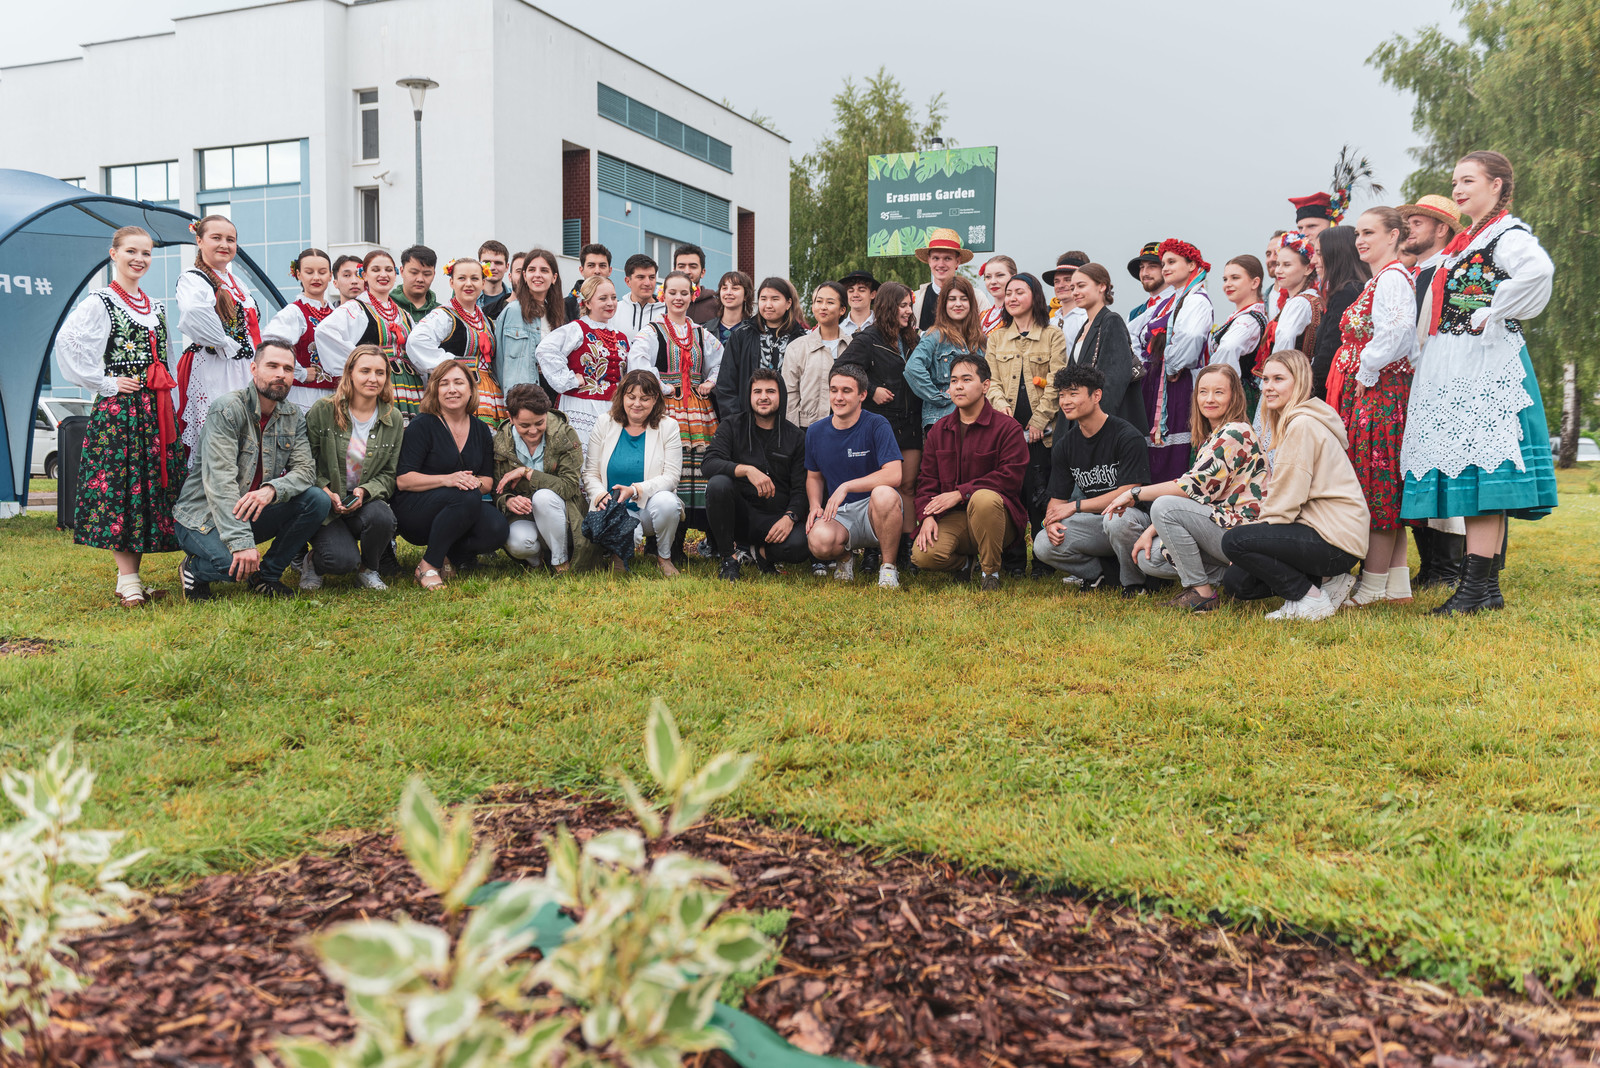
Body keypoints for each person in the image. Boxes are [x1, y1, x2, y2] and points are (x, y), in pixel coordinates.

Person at [1401, 150, 1558, 615]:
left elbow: (1538, 271)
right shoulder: (1470, 240)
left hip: (1484, 365)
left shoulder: (1508, 235)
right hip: (1459, 364)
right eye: (1455, 182)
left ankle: (1473, 590)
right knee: (1476, 474)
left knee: (1485, 474)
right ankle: (1486, 590)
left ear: (1496, 185)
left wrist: (1496, 309)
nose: (1458, 189)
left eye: (1468, 180)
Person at [57, 225, 185, 606]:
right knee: (123, 488)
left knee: (144, 488)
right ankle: (129, 578)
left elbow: (168, 358)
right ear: (113, 254)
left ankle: (128, 577)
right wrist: (107, 382)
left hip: (154, 410)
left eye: (146, 253)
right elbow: (68, 343)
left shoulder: (155, 306)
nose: (139, 259)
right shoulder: (101, 302)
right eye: (131, 251)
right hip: (122, 412)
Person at [173, 339, 332, 600]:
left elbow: (305, 471)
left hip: (249, 510)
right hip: (203, 516)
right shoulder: (227, 409)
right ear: (254, 369)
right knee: (233, 567)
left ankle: (266, 576)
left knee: (316, 499)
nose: (281, 374)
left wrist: (272, 490)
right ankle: (194, 569)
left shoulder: (293, 416)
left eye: (288, 369)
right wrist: (241, 543)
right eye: (272, 366)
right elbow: (221, 483)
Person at [1102, 365, 1267, 611]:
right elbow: (1200, 496)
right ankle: (1234, 575)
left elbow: (1192, 487)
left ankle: (1202, 593)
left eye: (1219, 392)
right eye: (1203, 392)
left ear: (1234, 396)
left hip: (1242, 531)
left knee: (1164, 505)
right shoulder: (1214, 436)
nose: (1209, 399)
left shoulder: (1235, 432)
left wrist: (1134, 493)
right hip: (1222, 526)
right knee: (1151, 558)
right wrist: (1150, 531)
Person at [1221, 349, 1366, 620]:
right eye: (1265, 379)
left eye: (1278, 379)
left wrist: (1252, 539)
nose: (1268, 387)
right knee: (1237, 582)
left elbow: (1287, 496)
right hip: (1320, 533)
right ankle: (1326, 584)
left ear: (1299, 382)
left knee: (1234, 541)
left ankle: (1310, 598)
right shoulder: (1298, 421)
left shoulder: (1302, 425)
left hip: (1334, 538)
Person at [1326, 207, 1418, 608]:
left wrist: (1366, 369)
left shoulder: (1393, 278)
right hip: (1375, 390)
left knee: (1376, 486)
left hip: (1379, 394)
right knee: (1382, 486)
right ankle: (1396, 585)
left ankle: (1371, 586)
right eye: (1358, 234)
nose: (1360, 240)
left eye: (1369, 232)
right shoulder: (1382, 278)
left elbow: (1398, 332)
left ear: (1394, 236)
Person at [909, 354, 1029, 590]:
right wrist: (927, 517)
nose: (958, 386)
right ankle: (965, 564)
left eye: (966, 379)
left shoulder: (1008, 428)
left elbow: (1010, 477)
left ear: (985, 386)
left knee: (983, 498)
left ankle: (990, 572)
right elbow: (926, 482)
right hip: (956, 519)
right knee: (923, 556)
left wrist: (960, 493)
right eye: (953, 381)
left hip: (997, 518)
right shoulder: (939, 430)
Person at [1398, 194, 1468, 589]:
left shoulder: (1449, 270)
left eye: (1417, 223)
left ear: (1441, 229)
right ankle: (1431, 564)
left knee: (1446, 469)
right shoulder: (1414, 273)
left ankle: (1448, 566)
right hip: (1415, 383)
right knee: (1419, 468)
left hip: (1443, 382)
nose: (1408, 229)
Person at [1032, 364, 1150, 590]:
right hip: (1096, 523)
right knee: (1043, 543)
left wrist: (1076, 506)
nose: (1065, 401)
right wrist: (1051, 522)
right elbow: (1057, 501)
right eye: (1062, 395)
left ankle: (1135, 583)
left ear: (1096, 396)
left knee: (1116, 519)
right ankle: (1102, 574)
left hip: (1134, 520)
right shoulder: (1065, 445)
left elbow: (1129, 494)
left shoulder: (1127, 436)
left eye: (1073, 394)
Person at [628, 271, 724, 547]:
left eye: (684, 293)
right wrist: (662, 386)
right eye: (672, 292)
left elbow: (722, 361)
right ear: (663, 295)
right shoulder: (652, 330)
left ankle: (698, 533)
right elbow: (638, 359)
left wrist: (710, 382)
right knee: (666, 465)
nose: (678, 298)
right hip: (665, 408)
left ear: (693, 296)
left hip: (698, 410)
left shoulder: (700, 333)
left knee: (698, 465)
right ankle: (661, 539)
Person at [392, 362, 508, 589]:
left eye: (458, 382)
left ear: (471, 389)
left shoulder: (481, 429)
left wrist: (470, 482)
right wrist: (448, 479)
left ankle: (449, 553)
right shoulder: (422, 425)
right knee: (467, 496)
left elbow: (487, 481)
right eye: (444, 384)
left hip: (462, 504)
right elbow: (403, 480)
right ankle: (428, 565)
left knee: (496, 529)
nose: (451, 389)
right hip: (416, 508)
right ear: (435, 390)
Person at [984, 272, 1067, 577]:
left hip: (1042, 433)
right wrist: (1000, 407)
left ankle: (1044, 561)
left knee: (1039, 494)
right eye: (1009, 293)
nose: (1012, 298)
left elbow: (1057, 380)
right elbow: (991, 381)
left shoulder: (1052, 335)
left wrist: (1039, 420)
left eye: (1019, 292)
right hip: (1006, 432)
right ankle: (1014, 561)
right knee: (1011, 493)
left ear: (1035, 296)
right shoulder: (996, 337)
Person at [301, 344, 402, 590]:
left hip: (362, 502)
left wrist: (365, 491)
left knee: (383, 517)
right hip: (326, 503)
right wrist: (324, 490)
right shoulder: (324, 410)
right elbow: (305, 461)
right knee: (341, 561)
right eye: (365, 371)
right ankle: (313, 561)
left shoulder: (393, 418)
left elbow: (389, 474)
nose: (373, 378)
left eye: (380, 372)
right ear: (350, 373)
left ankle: (369, 569)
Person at [703, 368, 811, 580]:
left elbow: (801, 489)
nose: (763, 397)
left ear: (781, 395)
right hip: (739, 516)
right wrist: (747, 470)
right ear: (749, 396)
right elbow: (709, 463)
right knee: (718, 484)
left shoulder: (796, 437)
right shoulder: (731, 426)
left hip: (775, 519)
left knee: (802, 545)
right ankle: (729, 559)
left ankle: (760, 554)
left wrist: (790, 517)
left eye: (770, 391)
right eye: (757, 391)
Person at [838, 281, 923, 547]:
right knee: (882, 489)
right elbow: (841, 370)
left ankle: (906, 549)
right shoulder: (867, 339)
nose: (908, 311)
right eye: (903, 305)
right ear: (888, 306)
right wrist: (872, 389)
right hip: (882, 426)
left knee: (908, 486)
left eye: (910, 305)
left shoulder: (912, 338)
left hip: (911, 424)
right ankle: (875, 548)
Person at [804, 364, 904, 587]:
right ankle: (845, 559)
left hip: (874, 509)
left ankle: (888, 568)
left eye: (846, 391)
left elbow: (894, 474)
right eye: (834, 390)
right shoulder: (815, 431)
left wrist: (847, 486)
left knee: (884, 494)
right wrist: (814, 506)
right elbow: (814, 476)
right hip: (839, 514)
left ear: (862, 395)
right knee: (818, 541)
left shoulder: (877, 424)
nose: (838, 397)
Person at [582, 369, 684, 576]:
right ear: (622, 397)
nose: (637, 404)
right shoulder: (604, 422)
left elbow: (672, 477)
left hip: (650, 506)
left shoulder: (668, 426)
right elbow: (590, 472)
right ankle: (617, 554)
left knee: (668, 503)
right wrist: (600, 495)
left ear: (655, 400)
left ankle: (664, 557)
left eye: (644, 398)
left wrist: (635, 490)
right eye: (631, 397)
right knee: (631, 536)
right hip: (614, 506)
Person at [175, 214, 262, 454]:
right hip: (215, 365)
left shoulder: (236, 282)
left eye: (230, 240)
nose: (224, 244)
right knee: (219, 433)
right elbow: (193, 311)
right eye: (216, 238)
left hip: (243, 368)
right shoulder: (194, 278)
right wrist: (223, 341)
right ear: (199, 241)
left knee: (244, 435)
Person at [1135, 239, 1214, 482]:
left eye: (1171, 262)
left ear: (1191, 265)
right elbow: (1132, 332)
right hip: (1157, 381)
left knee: (1175, 443)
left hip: (1178, 384)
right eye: (1164, 263)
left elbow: (1192, 338)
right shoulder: (1170, 301)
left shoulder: (1196, 299)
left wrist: (1170, 364)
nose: (1166, 268)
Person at [314, 249, 421, 418]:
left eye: (388, 270)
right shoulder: (355, 308)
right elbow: (325, 332)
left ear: (395, 274)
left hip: (410, 387)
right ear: (364, 275)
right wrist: (360, 364)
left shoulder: (404, 314)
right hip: (375, 384)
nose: (383, 274)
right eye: (376, 270)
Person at [494, 382, 586, 573]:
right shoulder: (500, 441)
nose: (533, 431)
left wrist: (528, 473)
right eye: (524, 425)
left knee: (542, 497)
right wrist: (508, 501)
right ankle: (537, 562)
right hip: (524, 517)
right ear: (510, 417)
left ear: (546, 413)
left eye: (539, 423)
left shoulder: (564, 434)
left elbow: (569, 487)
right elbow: (497, 490)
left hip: (563, 514)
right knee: (518, 543)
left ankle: (560, 561)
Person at [534, 274, 632, 446]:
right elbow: (545, 349)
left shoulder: (621, 337)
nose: (610, 303)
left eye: (613, 297)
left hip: (613, 408)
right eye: (603, 298)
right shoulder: (576, 329)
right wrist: (569, 379)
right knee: (583, 454)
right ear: (587, 303)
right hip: (581, 405)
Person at [409, 257, 505, 424]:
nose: (468, 284)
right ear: (452, 282)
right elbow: (416, 341)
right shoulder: (443, 316)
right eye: (462, 278)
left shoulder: (486, 321)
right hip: (457, 390)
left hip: (489, 393)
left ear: (483, 283)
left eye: (474, 278)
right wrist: (451, 365)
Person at [1064, 264, 1145, 428]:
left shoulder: (1111, 321)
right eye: (1072, 288)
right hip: (1084, 419)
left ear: (1102, 286)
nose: (1075, 292)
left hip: (1104, 424)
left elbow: (1114, 380)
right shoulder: (1086, 326)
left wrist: (1095, 425)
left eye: (1081, 286)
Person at [715, 276, 807, 417]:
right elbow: (726, 385)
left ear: (788, 303)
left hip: (789, 419)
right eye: (763, 299)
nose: (768, 305)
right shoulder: (741, 335)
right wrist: (736, 421)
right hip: (748, 420)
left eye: (775, 299)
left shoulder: (801, 339)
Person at [906, 275, 985, 431]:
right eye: (952, 299)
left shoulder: (980, 340)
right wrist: (940, 397)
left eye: (963, 299)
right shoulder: (935, 335)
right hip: (941, 420)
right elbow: (912, 368)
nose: (958, 304)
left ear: (971, 303)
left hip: (975, 419)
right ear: (944, 304)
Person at [264, 247, 337, 411]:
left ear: (330, 275)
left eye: (322, 272)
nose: (316, 277)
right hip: (304, 395)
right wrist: (300, 372)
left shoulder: (336, 313)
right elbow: (271, 342)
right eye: (309, 272)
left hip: (336, 394)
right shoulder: (294, 312)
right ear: (298, 274)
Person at [1309, 227, 1370, 399]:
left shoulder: (1347, 294)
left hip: (1337, 391)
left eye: (1319, 254)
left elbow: (1330, 350)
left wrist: (1308, 394)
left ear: (1336, 255)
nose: (1313, 261)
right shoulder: (1350, 290)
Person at [493, 248, 565, 394]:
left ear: (554, 277)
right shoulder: (513, 311)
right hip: (523, 395)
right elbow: (498, 361)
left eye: (544, 270)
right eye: (532, 270)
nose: (537, 275)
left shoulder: (557, 314)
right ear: (525, 276)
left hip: (552, 392)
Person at [782, 281, 849, 428]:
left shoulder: (852, 346)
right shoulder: (797, 348)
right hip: (808, 426)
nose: (823, 307)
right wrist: (793, 432)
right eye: (819, 301)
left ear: (842, 310)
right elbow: (790, 393)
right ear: (813, 307)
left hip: (846, 426)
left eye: (830, 302)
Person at [1211, 256, 1268, 380]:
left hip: (1231, 387)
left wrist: (1216, 382)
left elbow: (1228, 348)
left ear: (1255, 283)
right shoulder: (1247, 315)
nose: (1227, 284)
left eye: (1235, 278)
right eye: (1225, 279)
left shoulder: (1247, 321)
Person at [913, 227, 977, 330]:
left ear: (957, 261)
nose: (941, 264)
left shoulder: (976, 297)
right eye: (936, 258)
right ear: (929, 261)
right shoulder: (915, 300)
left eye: (947, 258)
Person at [668, 244, 721, 324]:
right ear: (674, 271)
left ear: (702, 272)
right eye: (681, 266)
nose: (687, 271)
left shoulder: (717, 305)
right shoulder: (664, 304)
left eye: (693, 267)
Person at [1043, 252, 1088, 340]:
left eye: (1067, 280)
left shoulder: (1088, 319)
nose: (1061, 285)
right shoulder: (1049, 320)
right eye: (1056, 281)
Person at [616, 253, 664, 335]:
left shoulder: (667, 312)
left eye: (652, 277)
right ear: (628, 281)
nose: (647, 283)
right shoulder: (614, 311)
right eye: (641, 277)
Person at [564, 243, 611, 322]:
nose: (597, 271)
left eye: (602, 265)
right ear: (581, 270)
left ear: (610, 271)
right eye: (591, 265)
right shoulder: (564, 307)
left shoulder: (617, 307)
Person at [394, 245, 441, 322]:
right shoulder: (386, 306)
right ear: (402, 271)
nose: (420, 279)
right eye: (414, 273)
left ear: (433, 275)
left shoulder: (441, 313)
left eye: (427, 274)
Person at [1125, 242, 1166, 324]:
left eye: (1152, 266)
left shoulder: (1180, 303)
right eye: (1142, 267)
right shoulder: (1133, 314)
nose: (1144, 273)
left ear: (1166, 269)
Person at [712, 270, 754, 346]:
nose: (728, 293)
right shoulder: (705, 330)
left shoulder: (754, 331)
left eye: (735, 288)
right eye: (724, 288)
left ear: (746, 295)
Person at [978, 256, 1015, 336]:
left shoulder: (1019, 314)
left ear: (1013, 278)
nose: (993, 281)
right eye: (988, 277)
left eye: (1000, 275)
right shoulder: (981, 316)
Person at [477, 241, 512, 321]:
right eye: (487, 262)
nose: (492, 267)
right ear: (479, 265)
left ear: (507, 267)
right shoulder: (469, 298)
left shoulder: (515, 298)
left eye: (498, 263)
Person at [838, 269, 877, 339]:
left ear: (872, 294)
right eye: (851, 291)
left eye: (861, 290)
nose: (855, 295)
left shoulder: (883, 327)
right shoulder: (837, 329)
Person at [1262, 232, 1285, 318]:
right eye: (1268, 254)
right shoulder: (1263, 299)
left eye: (1277, 253)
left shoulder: (1302, 298)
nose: (1271, 259)